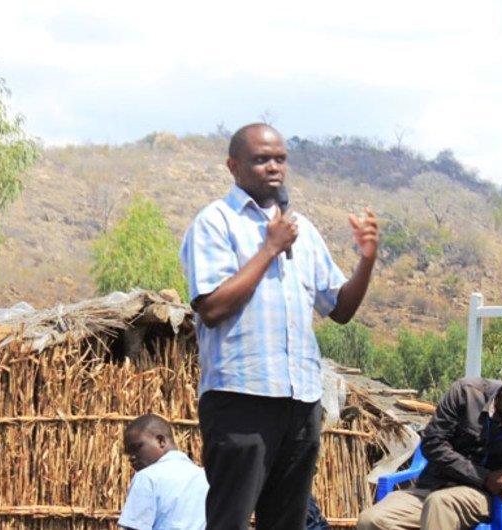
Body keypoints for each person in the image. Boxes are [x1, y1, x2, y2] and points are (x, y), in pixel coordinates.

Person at [180, 123, 379, 530]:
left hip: (301, 400)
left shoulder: (303, 231)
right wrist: (269, 249)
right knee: (229, 521)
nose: (273, 167)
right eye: (261, 159)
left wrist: (367, 261)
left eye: (280, 159)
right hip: (241, 397)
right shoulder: (215, 222)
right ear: (234, 166)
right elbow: (212, 307)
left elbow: (339, 309)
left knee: (287, 523)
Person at [356, 366, 502, 530]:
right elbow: (432, 444)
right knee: (371, 521)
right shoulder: (467, 394)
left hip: (481, 498)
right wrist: (485, 477)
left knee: (440, 504)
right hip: (431, 486)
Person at [117, 414, 207, 530]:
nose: (132, 457)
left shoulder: (147, 477)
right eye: (128, 453)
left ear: (161, 441)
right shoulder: (204, 477)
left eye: (136, 448)